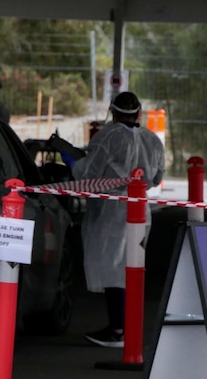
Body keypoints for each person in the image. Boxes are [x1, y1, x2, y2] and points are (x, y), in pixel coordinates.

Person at [70, 91, 165, 348]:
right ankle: (128, 329)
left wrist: (73, 162)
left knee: (113, 269)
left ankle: (118, 330)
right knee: (132, 269)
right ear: (138, 112)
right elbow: (156, 179)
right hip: (140, 211)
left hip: (111, 211)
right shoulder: (153, 140)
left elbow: (89, 175)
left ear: (113, 112)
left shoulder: (106, 137)